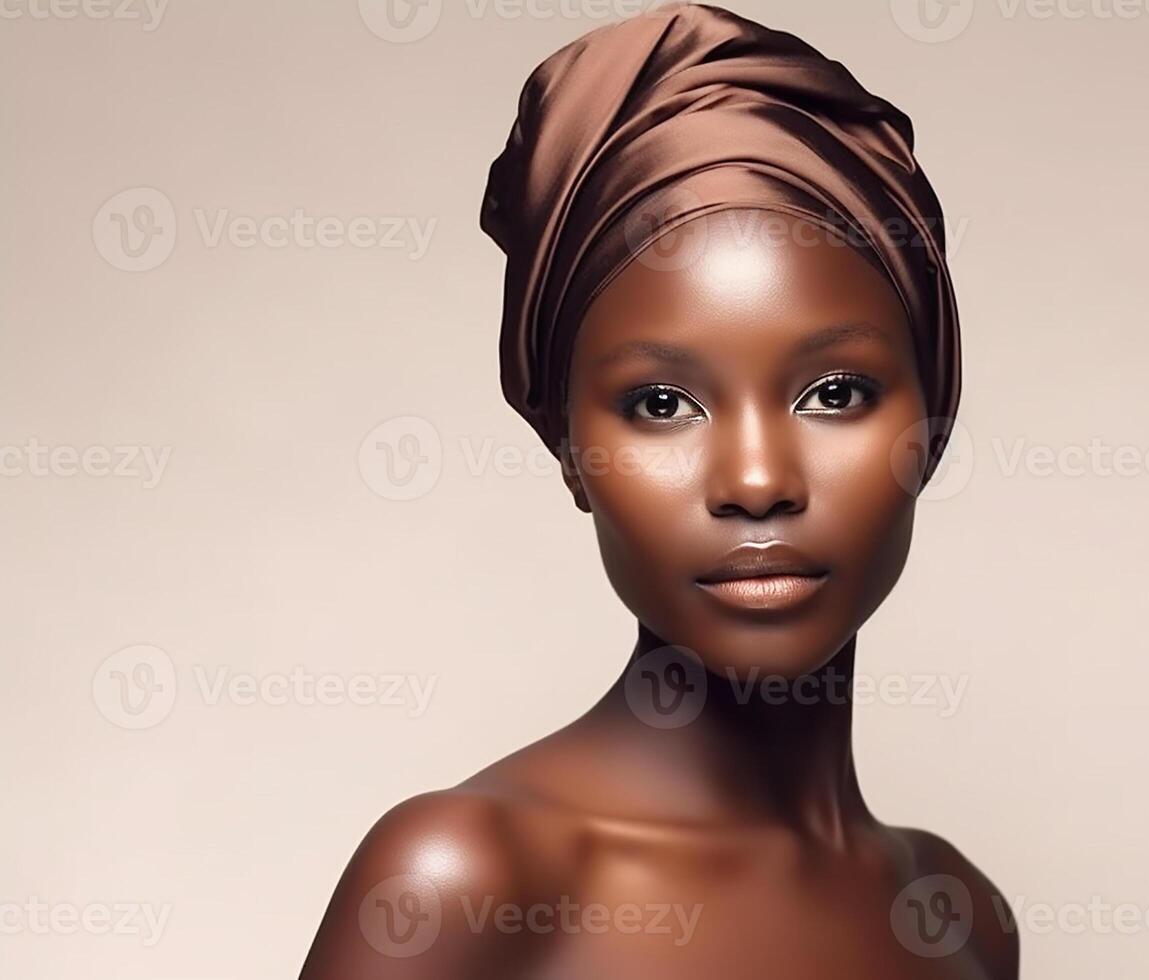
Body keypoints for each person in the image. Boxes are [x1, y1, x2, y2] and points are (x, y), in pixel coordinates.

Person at [300, 5, 1016, 977]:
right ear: (566, 445)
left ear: (933, 417)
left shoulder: (957, 916)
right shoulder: (469, 885)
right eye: (663, 401)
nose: (757, 480)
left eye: (835, 392)